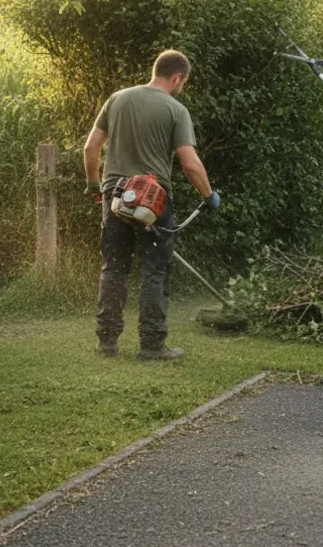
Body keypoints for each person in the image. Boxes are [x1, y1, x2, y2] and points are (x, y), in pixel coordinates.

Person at [82, 50, 221, 361]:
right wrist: (208, 195)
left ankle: (107, 342)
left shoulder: (117, 99)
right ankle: (152, 346)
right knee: (154, 271)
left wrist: (94, 185)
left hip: (116, 196)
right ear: (177, 77)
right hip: (153, 200)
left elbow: (91, 148)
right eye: (183, 82)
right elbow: (190, 164)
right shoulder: (175, 109)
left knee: (113, 268)